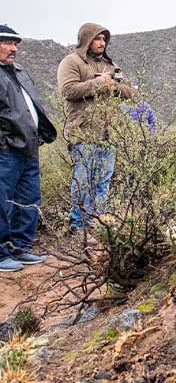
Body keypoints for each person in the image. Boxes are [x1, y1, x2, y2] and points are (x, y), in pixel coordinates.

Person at [57, 23, 136, 232]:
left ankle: (97, 225)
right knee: (83, 181)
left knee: (103, 182)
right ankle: (78, 226)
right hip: (83, 133)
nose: (101, 43)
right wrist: (99, 83)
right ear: (86, 39)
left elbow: (130, 92)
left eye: (104, 39)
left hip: (109, 134)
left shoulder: (110, 64)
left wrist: (114, 86)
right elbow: (68, 90)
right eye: (97, 39)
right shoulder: (71, 62)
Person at [0, 25, 57, 272]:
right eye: (7, 43)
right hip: (7, 150)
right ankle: (1, 255)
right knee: (2, 202)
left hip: (29, 148)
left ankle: (20, 248)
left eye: (15, 44)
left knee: (29, 200)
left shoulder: (19, 71)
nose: (13, 48)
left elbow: (31, 106)